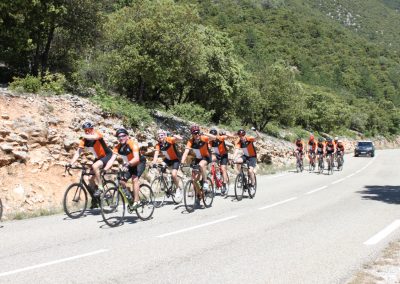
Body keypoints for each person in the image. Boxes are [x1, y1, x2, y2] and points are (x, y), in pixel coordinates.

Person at [68, 122, 113, 207]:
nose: (87, 132)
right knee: (90, 179)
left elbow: (95, 137)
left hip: (107, 155)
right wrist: (70, 163)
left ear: (92, 129)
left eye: (89, 130)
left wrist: (84, 135)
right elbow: (78, 153)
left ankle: (100, 187)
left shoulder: (97, 134)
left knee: (95, 166)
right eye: (85, 130)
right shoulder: (84, 141)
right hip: (98, 157)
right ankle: (97, 199)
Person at [107, 128, 146, 209]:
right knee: (122, 181)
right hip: (129, 165)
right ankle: (130, 197)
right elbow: (111, 159)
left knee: (134, 179)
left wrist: (127, 164)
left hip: (139, 163)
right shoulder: (117, 147)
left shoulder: (132, 144)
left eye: (123, 136)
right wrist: (104, 169)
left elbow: (136, 158)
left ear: (127, 136)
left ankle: (136, 201)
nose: (121, 138)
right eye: (119, 137)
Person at [181, 125, 216, 198]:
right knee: (195, 179)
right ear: (192, 134)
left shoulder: (204, 138)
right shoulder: (190, 141)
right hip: (198, 158)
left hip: (206, 156)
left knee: (201, 165)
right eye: (194, 133)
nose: (197, 135)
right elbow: (186, 152)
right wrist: (182, 162)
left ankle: (205, 182)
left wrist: (205, 133)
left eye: (198, 133)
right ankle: (199, 194)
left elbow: (214, 137)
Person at [152, 129, 183, 199]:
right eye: (158, 136)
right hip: (168, 159)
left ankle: (178, 189)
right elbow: (156, 154)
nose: (160, 137)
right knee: (160, 168)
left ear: (165, 135)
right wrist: (153, 162)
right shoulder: (158, 145)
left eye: (162, 135)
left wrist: (173, 135)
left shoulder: (169, 139)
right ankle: (168, 181)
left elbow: (180, 139)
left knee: (174, 174)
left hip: (176, 159)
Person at [208, 128, 235, 193]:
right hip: (217, 155)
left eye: (213, 135)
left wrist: (226, 133)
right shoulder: (210, 141)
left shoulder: (220, 138)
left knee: (223, 169)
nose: (212, 137)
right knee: (211, 162)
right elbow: (209, 149)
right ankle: (215, 175)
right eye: (211, 136)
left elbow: (228, 136)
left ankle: (224, 184)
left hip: (223, 155)